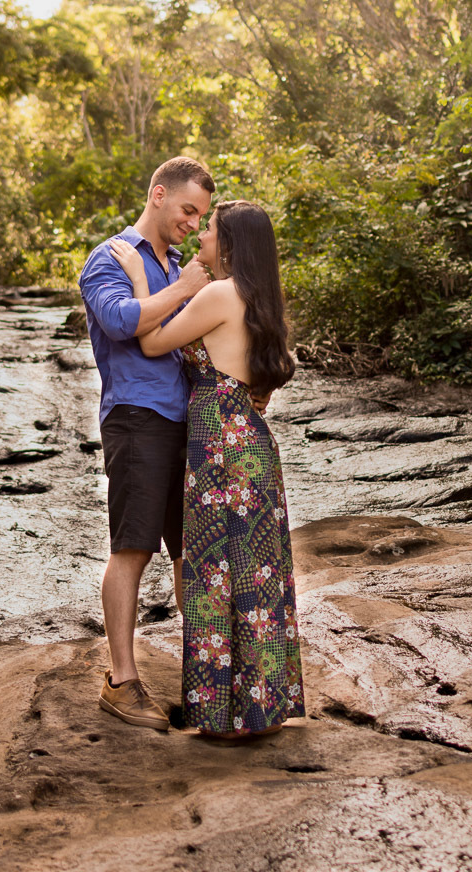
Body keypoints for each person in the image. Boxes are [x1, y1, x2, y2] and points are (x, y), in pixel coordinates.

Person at [109, 200, 304, 739]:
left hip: (219, 445)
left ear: (232, 244)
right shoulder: (261, 299)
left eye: (210, 230)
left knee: (217, 570)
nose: (201, 237)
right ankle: (261, 708)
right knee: (257, 571)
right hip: (253, 443)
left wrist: (136, 279)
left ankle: (226, 716)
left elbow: (150, 340)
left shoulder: (218, 294)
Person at [79, 156, 215, 731]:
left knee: (191, 551)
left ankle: (210, 674)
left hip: (187, 420)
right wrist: (184, 288)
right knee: (133, 547)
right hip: (136, 417)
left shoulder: (177, 262)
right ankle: (122, 681)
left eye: (201, 215)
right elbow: (120, 322)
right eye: (188, 210)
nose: (192, 221)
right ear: (158, 195)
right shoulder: (110, 257)